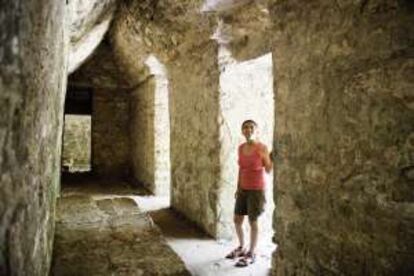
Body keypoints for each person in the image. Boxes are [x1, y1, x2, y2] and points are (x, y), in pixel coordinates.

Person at [225, 119, 273, 267]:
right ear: (242, 131)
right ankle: (242, 247)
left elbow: (268, 170)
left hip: (256, 190)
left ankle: (251, 253)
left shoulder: (262, 148)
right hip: (243, 189)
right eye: (245, 127)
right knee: (237, 220)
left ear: (256, 130)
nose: (248, 130)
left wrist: (271, 158)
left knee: (253, 221)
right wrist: (238, 187)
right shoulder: (241, 148)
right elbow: (241, 169)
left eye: (251, 127)